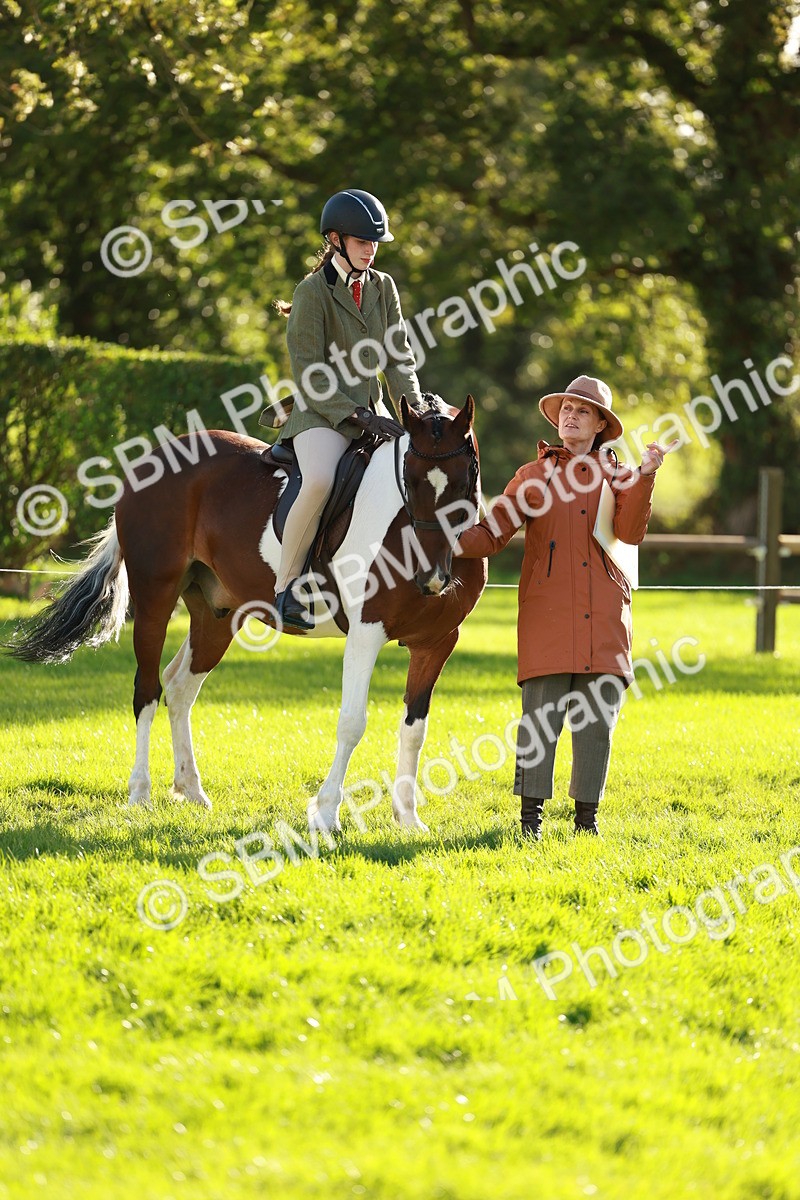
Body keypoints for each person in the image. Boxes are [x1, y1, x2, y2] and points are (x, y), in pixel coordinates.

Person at [457, 375, 674, 839]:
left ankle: (586, 822)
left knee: (597, 724)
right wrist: (448, 544)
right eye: (566, 410)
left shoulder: (620, 475)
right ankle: (529, 821)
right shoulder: (533, 475)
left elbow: (631, 533)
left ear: (600, 425)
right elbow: (493, 532)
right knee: (540, 719)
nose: (570, 416)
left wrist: (648, 473)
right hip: (547, 612)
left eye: (582, 410)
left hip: (606, 617)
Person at [271, 188, 423, 629]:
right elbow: (311, 374)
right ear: (336, 239)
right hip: (321, 414)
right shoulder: (311, 292)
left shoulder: (384, 286)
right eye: (362, 242)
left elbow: (398, 358)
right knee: (319, 480)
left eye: (375, 243)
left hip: (374, 410)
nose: (370, 251)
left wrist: (414, 412)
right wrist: (355, 416)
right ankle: (286, 587)